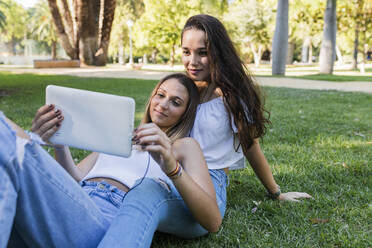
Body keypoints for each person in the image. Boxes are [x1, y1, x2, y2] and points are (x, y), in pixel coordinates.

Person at [100, 14, 312, 247]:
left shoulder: (232, 98)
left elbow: (251, 146)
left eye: (202, 52)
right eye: (186, 51)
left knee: (144, 195)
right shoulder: (183, 90)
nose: (192, 61)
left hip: (207, 182)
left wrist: (275, 192)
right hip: (165, 169)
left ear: (218, 52)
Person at [0, 73, 221, 248]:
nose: (163, 105)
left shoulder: (182, 147)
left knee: (6, 135)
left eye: (176, 102)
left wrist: (171, 166)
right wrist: (59, 142)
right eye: (160, 95)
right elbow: (75, 179)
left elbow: (212, 220)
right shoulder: (121, 136)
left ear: (186, 113)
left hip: (111, 217)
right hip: (77, 202)